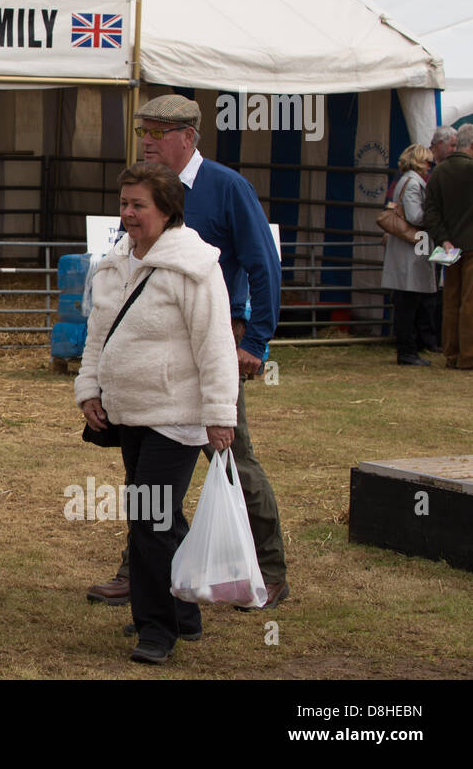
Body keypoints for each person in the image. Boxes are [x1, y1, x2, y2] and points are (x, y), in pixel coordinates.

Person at [86, 94, 289, 611]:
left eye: (158, 132)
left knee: (232, 457)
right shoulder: (142, 191)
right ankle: (140, 572)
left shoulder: (226, 187)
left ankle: (266, 570)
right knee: (144, 477)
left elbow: (264, 263)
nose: (148, 141)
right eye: (143, 131)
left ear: (189, 137)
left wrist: (256, 341)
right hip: (150, 359)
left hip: (213, 344)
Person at [76, 162, 238, 664]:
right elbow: (98, 334)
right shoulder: (115, 263)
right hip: (128, 414)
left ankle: (156, 630)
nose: (127, 214)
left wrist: (219, 412)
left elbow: (214, 344)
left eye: (138, 204)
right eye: (123, 203)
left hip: (177, 416)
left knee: (149, 518)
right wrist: (89, 388)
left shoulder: (194, 266)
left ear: (166, 210)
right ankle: (185, 614)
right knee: (161, 518)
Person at [383, 145, 439, 365]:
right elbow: (416, 216)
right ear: (419, 162)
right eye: (428, 162)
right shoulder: (414, 183)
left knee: (407, 302)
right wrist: (433, 215)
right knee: (408, 302)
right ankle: (407, 350)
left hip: (405, 249)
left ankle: (408, 348)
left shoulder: (405, 181)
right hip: (410, 248)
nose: (429, 167)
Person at [423, 124, 473, 370]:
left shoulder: (438, 173)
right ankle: (468, 356)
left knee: (450, 301)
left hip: (449, 247)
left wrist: (444, 239)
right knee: (469, 302)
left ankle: (451, 353)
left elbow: (430, 212)